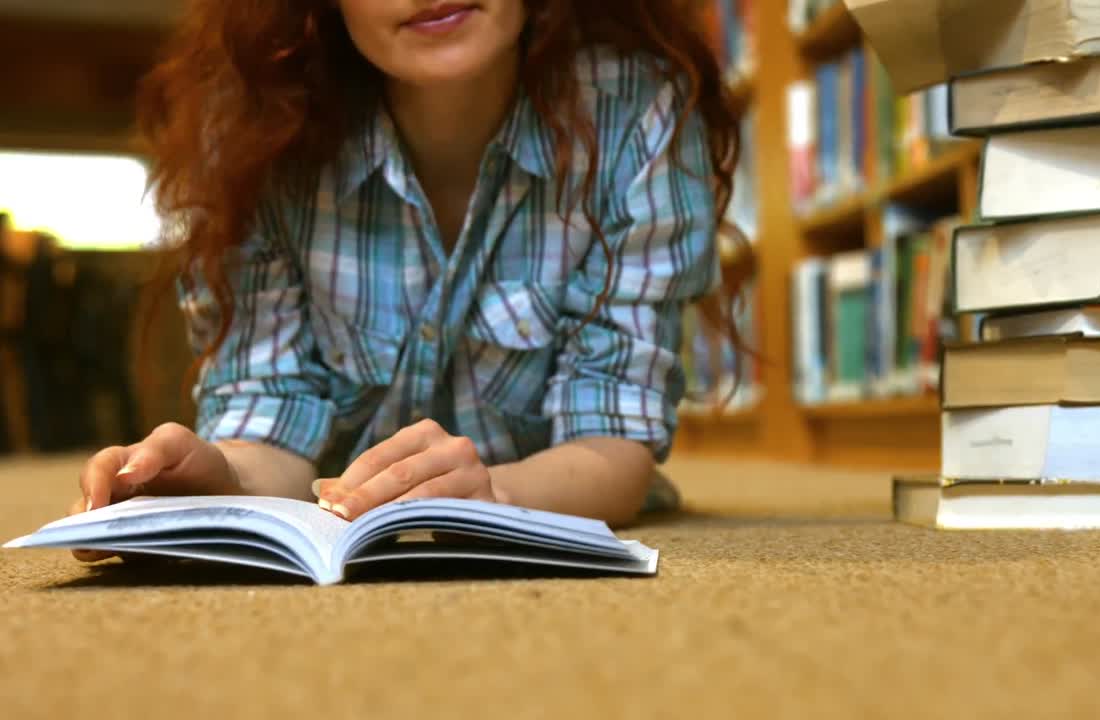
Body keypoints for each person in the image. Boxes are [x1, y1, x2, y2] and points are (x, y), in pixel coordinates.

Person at [70, 0, 741, 557]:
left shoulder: (637, 107)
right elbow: (269, 421)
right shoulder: (252, 130)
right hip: (328, 520)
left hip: (551, 495)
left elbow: (612, 448)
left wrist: (496, 497)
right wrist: (215, 480)